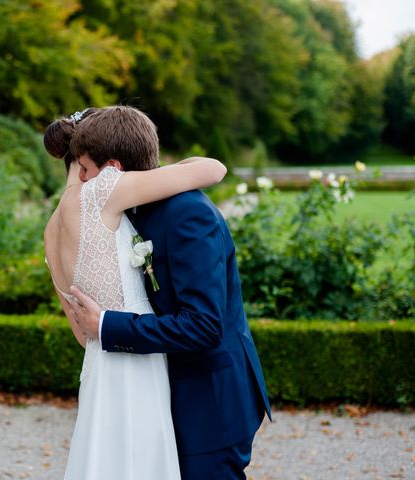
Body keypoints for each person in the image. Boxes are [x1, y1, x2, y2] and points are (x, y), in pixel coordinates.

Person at [68, 108, 272, 479]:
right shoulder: (136, 211)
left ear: (113, 167)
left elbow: (204, 325)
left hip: (211, 398)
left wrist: (108, 325)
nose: (80, 178)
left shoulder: (187, 214)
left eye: (84, 167)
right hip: (174, 391)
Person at [43, 105, 227, 480]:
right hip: (137, 355)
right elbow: (213, 169)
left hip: (100, 361)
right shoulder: (102, 189)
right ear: (108, 165)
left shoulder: (51, 229)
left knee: (103, 462)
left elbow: (81, 332)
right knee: (140, 462)